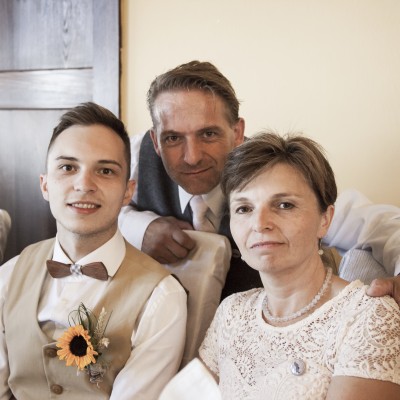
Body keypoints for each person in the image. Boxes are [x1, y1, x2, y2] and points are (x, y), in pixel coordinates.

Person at [119, 60, 400, 301]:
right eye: (173, 138)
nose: (191, 157)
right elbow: (94, 206)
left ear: (237, 132)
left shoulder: (278, 173)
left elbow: (381, 225)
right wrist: (138, 228)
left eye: (208, 134)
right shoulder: (132, 157)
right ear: (156, 140)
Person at [0, 103, 187, 399]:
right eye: (68, 167)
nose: (84, 184)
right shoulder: (9, 276)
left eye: (105, 170)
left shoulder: (161, 297)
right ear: (45, 185)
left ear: (127, 191)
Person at [199, 132, 400, 399]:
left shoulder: (368, 317)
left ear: (325, 220)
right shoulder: (231, 313)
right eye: (244, 209)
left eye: (284, 205)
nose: (260, 224)